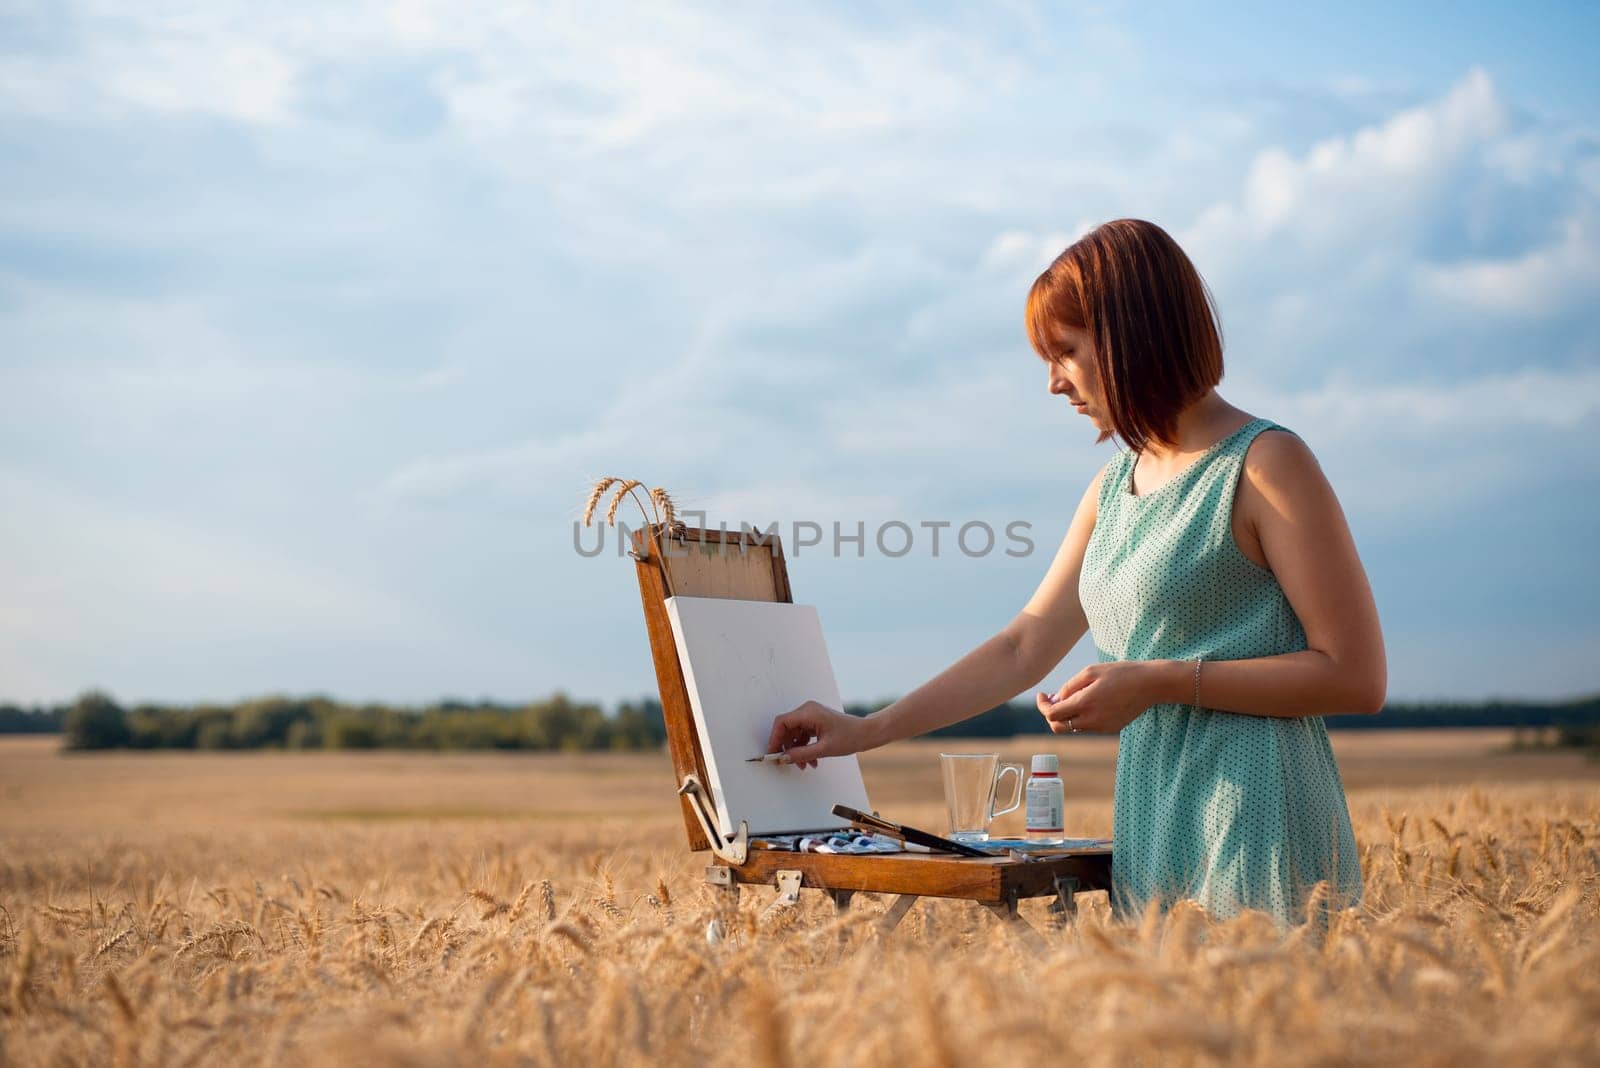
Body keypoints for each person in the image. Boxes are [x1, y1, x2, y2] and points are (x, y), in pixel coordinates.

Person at [764, 218, 1383, 934]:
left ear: (1133, 335)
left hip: (1257, 813)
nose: (1054, 382)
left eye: (1066, 352)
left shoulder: (1269, 464)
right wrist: (866, 730)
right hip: (1154, 819)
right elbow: (1023, 647)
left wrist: (1157, 681)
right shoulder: (1111, 487)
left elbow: (1356, 676)